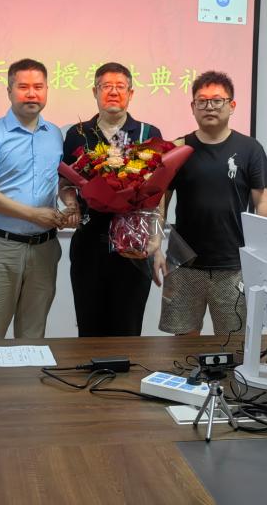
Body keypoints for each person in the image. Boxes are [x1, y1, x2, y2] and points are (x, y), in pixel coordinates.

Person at [155, 70, 267, 337]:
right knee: (184, 343)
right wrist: (156, 246)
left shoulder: (250, 149)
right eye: (202, 101)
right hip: (184, 263)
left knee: (235, 342)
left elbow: (262, 201)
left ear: (232, 105)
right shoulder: (177, 149)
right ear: (192, 107)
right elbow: (161, 201)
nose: (209, 106)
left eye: (217, 100)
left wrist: (263, 254)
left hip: (234, 265)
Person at [0, 58, 75, 340]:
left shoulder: (54, 135)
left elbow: (60, 182)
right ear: (9, 91)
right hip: (0, 249)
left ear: (47, 90)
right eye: (23, 87)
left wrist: (71, 203)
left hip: (44, 249)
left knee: (33, 338)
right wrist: (33, 214)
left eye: (38, 87)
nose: (31, 94)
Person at [60, 62, 163, 336]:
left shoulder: (148, 134)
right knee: (89, 328)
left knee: (128, 328)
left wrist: (156, 240)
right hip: (89, 243)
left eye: (120, 87)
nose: (113, 92)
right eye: (106, 86)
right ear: (95, 91)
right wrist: (70, 204)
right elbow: (65, 182)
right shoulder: (77, 134)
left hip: (132, 246)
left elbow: (158, 193)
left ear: (131, 93)